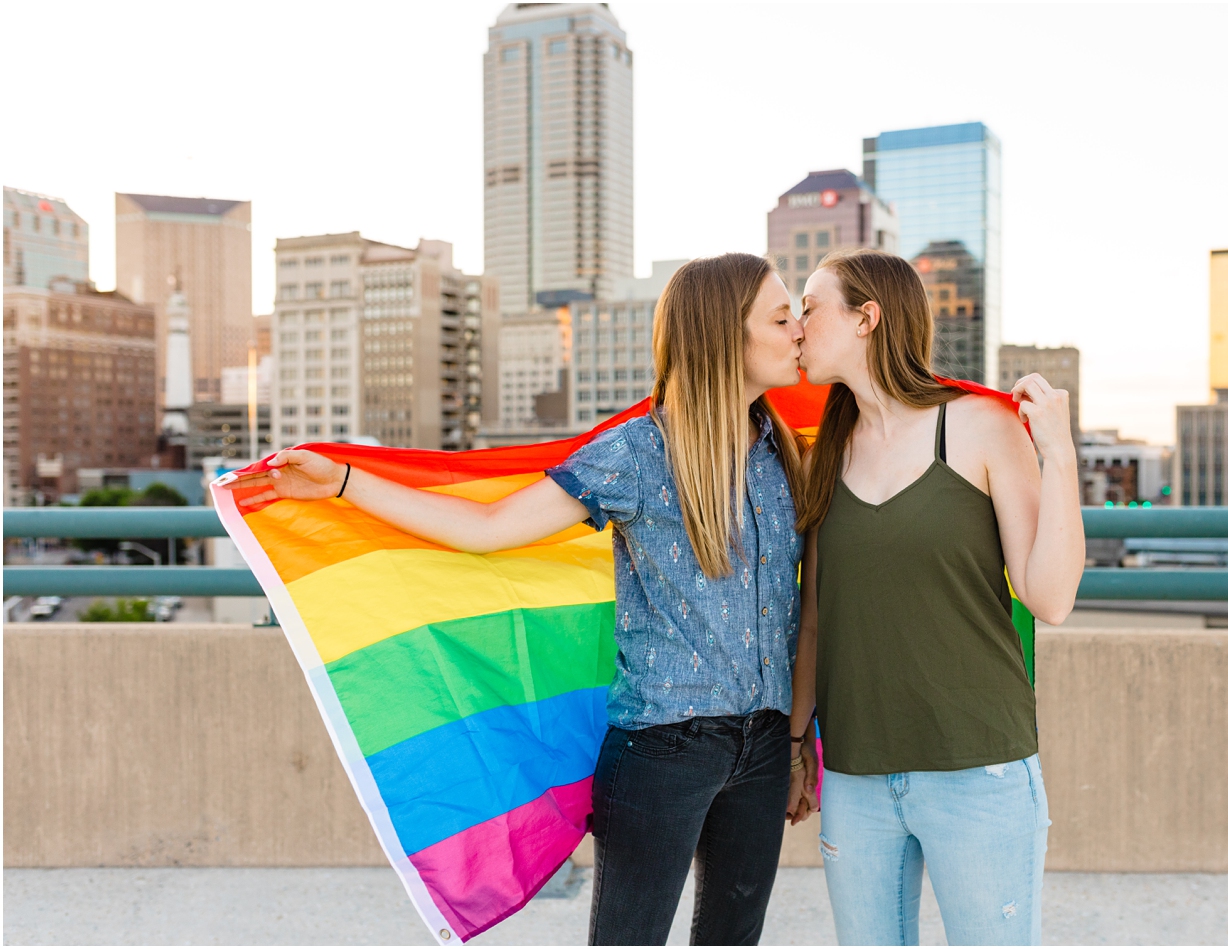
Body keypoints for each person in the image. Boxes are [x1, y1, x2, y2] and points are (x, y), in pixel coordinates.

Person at [235, 253, 811, 946]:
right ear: (724, 335)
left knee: (733, 940)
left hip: (764, 744)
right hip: (664, 749)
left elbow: (802, 609)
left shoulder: (786, 449)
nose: (799, 330)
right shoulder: (637, 452)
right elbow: (488, 527)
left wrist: (797, 738)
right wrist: (345, 482)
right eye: (782, 318)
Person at [785, 248, 1085, 946]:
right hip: (855, 778)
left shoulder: (977, 426)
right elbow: (814, 623)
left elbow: (1050, 595)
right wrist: (798, 741)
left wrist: (1060, 456)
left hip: (976, 769)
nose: (797, 327)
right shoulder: (825, 449)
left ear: (867, 317)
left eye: (809, 307)